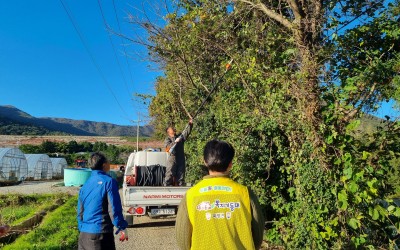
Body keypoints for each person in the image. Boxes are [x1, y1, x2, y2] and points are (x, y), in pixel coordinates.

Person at [175, 140, 265, 250]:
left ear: (205, 162)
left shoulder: (191, 195)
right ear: (230, 164)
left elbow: (182, 239)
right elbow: (258, 235)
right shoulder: (245, 193)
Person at [77, 152, 128, 250]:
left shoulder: (86, 184)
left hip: (84, 236)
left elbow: (80, 211)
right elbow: (114, 209)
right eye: (108, 162)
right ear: (104, 165)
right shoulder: (109, 182)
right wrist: (121, 226)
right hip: (100, 235)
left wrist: (82, 227)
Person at [164, 119, 193, 186]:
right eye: (172, 129)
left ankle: (180, 188)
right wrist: (175, 142)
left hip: (181, 159)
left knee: (181, 177)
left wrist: (190, 124)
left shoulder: (180, 137)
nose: (173, 129)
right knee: (169, 175)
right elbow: (167, 148)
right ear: (168, 131)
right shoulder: (167, 139)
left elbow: (186, 132)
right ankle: (166, 188)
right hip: (172, 160)